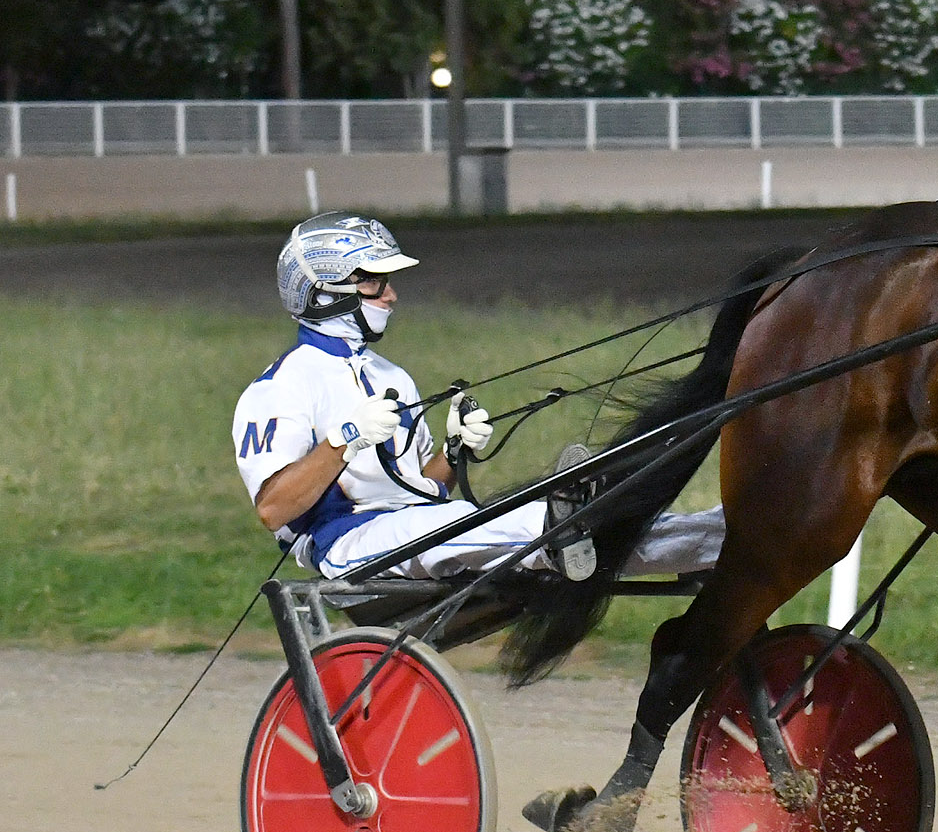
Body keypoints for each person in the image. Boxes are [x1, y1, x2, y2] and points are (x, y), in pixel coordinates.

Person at [232, 211, 724, 581]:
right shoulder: (281, 387)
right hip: (345, 542)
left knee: (580, 524)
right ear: (325, 291)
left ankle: (718, 536)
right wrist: (346, 440)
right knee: (497, 521)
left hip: (417, 526)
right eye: (375, 282)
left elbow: (421, 486)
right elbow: (274, 509)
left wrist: (452, 453)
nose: (391, 296)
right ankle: (560, 527)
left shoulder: (392, 376)